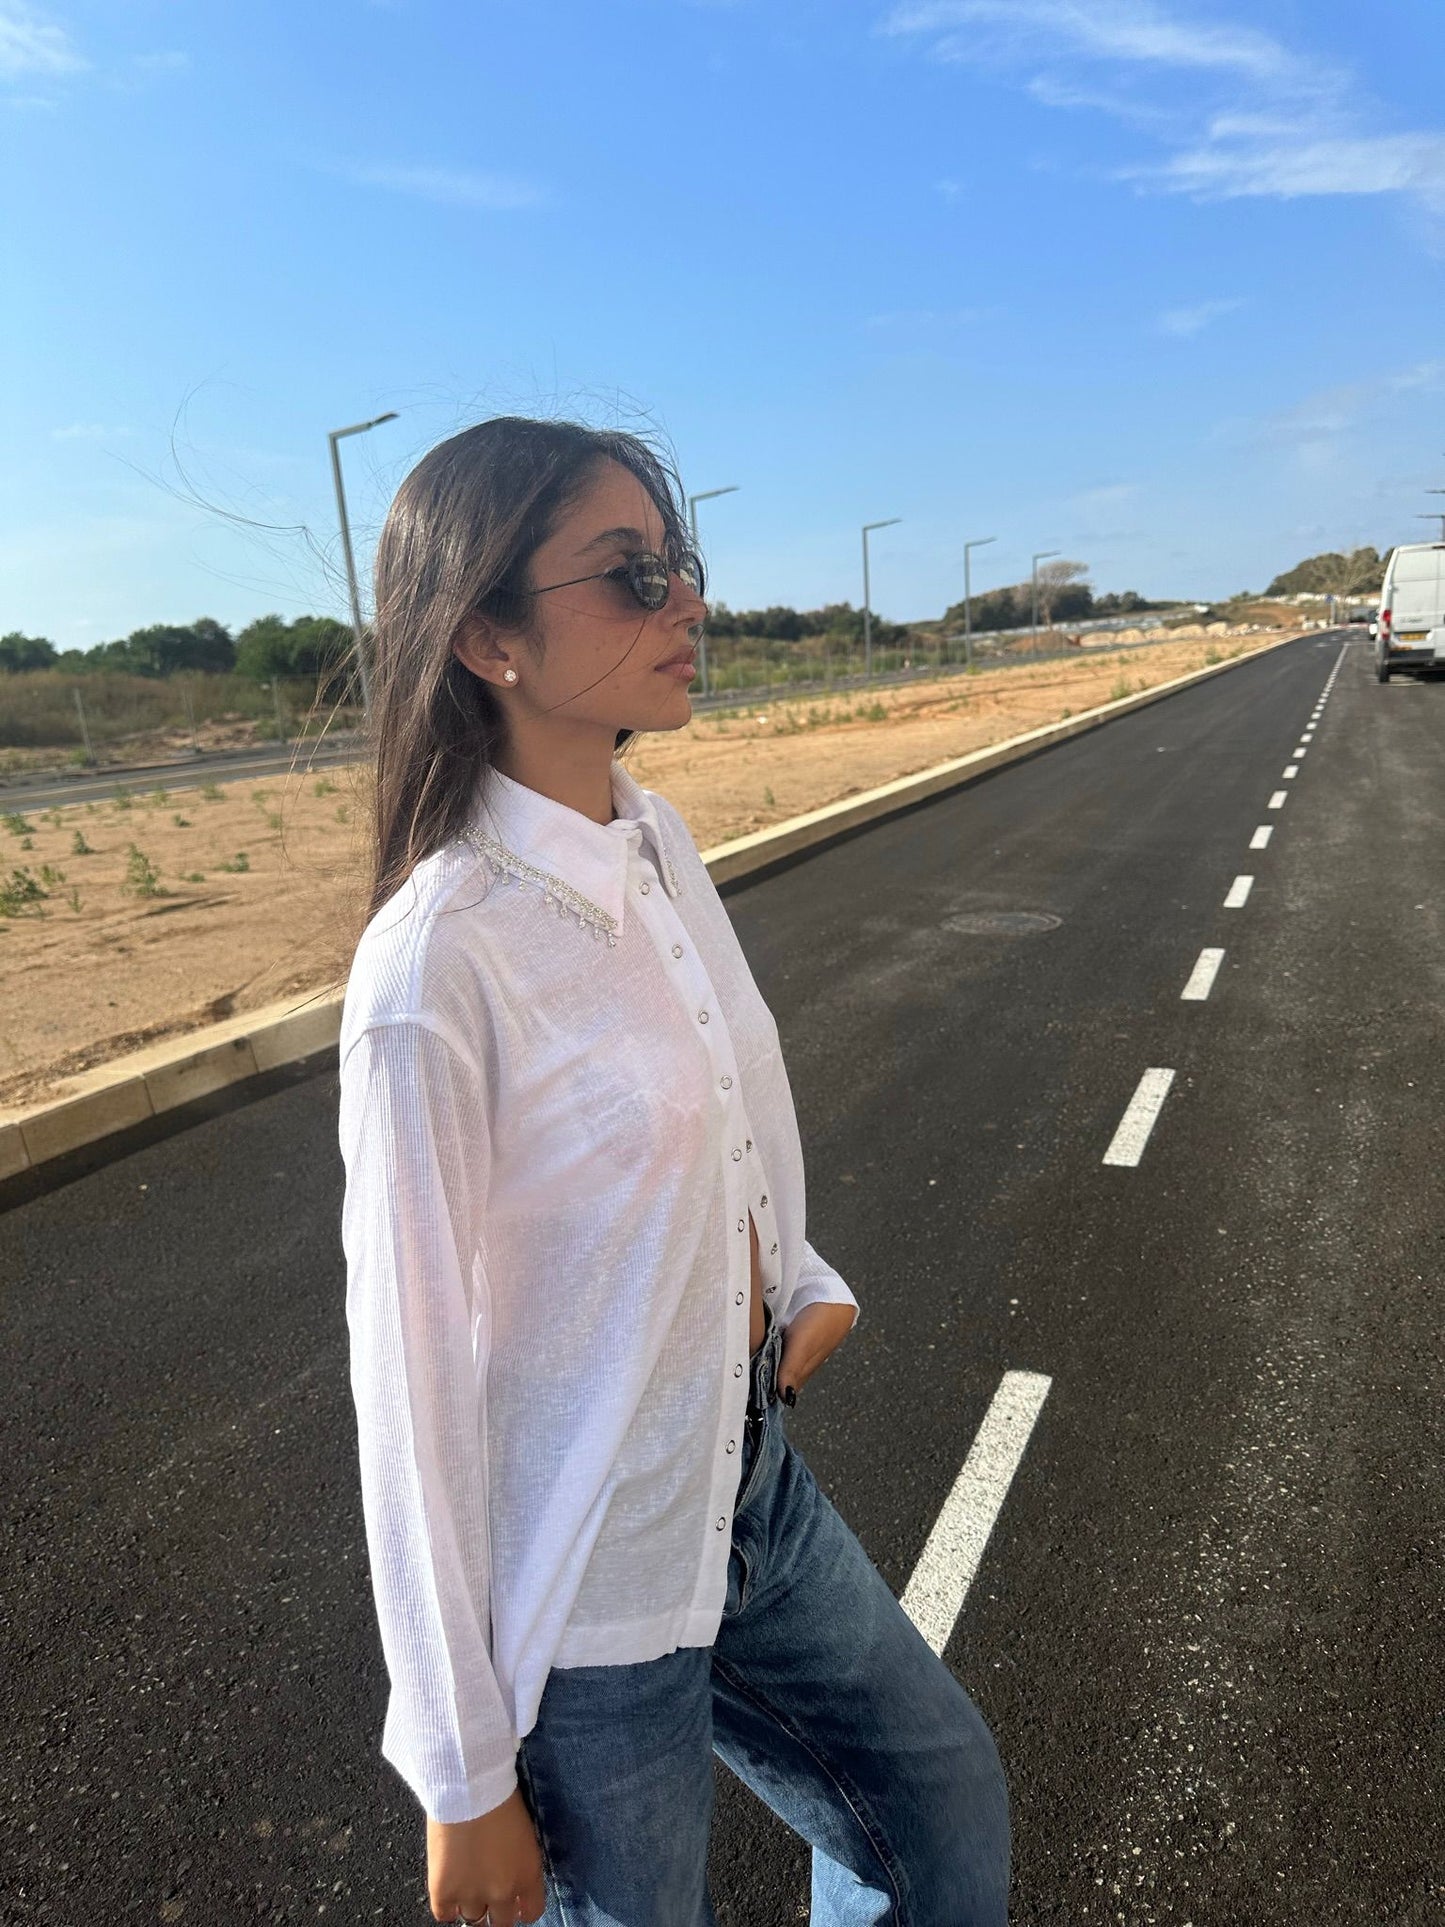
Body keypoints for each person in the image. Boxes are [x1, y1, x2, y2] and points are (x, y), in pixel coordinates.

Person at [337, 416, 1010, 1926]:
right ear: (486, 639)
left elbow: (728, 1100)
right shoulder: (438, 965)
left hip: (747, 1488)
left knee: (937, 1812)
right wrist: (462, 1774)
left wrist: (801, 1275)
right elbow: (408, 1392)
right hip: (587, 1596)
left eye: (680, 560)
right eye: (632, 574)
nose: (688, 599)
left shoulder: (654, 843)